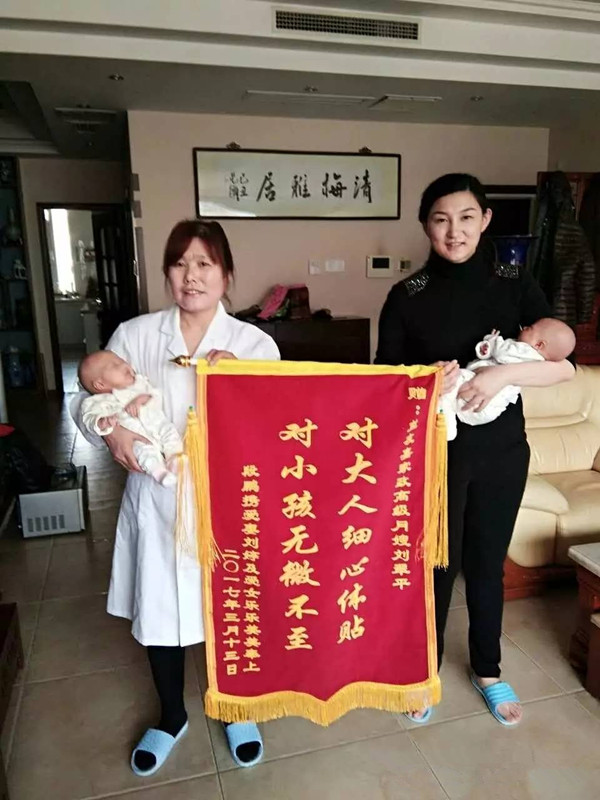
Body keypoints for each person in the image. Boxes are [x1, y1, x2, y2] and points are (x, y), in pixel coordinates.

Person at [71, 219, 280, 775]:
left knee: (231, 609)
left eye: (204, 263)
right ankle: (171, 716)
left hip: (230, 500)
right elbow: (87, 399)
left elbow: (281, 424)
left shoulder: (254, 343)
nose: (192, 276)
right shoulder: (135, 335)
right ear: (166, 272)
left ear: (226, 274)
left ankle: (235, 707)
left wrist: (244, 382)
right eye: (180, 263)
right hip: (158, 500)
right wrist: (112, 434)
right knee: (161, 610)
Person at [375, 173, 574, 726]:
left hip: (503, 451)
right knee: (437, 565)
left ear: (485, 220)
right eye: (441, 219)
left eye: (466, 217)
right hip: (438, 454)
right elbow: (383, 382)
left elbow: (561, 367)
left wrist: (499, 375)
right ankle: (423, 669)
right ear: (426, 226)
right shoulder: (407, 296)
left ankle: (487, 669)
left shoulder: (514, 282)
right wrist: (425, 381)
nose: (454, 231)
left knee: (488, 564)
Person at [441, 318, 576, 440]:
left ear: (539, 345)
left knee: (451, 379)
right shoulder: (538, 361)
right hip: (490, 409)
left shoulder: (524, 350)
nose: (524, 328)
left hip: (480, 398)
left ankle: (447, 425)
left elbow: (501, 352)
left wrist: (493, 340)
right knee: (452, 395)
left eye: (529, 328)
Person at [78, 350, 183, 487]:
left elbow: (155, 394)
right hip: (136, 436)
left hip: (156, 423)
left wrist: (142, 399)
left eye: (123, 361)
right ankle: (159, 473)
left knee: (170, 433)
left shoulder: (139, 383)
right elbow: (89, 418)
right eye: (115, 365)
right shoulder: (96, 402)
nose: (125, 365)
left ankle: (175, 460)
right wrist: (102, 422)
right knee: (143, 452)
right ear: (100, 384)